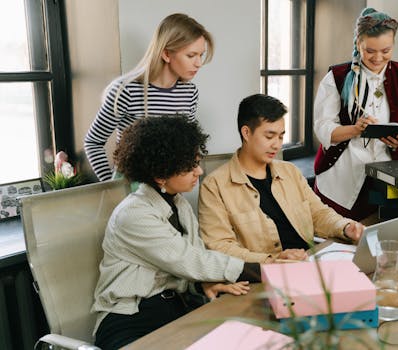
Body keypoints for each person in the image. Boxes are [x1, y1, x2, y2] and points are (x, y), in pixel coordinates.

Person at [92, 115, 260, 350]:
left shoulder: (179, 204)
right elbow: (189, 259)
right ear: (160, 175)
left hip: (175, 311)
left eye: (197, 162)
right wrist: (261, 270)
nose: (199, 171)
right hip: (131, 322)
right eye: (190, 167)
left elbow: (179, 269)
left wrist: (202, 285)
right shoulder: (133, 214)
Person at [198, 94, 364, 264]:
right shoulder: (215, 186)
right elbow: (219, 247)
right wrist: (273, 260)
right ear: (246, 133)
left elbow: (318, 213)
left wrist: (345, 227)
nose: (277, 145)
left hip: (309, 262)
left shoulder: (290, 171)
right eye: (269, 137)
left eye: (280, 136)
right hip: (264, 276)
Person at [313, 7, 398, 221]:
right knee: (334, 243)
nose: (378, 58)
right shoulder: (337, 77)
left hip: (387, 177)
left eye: (386, 51)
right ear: (357, 44)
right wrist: (355, 129)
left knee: (380, 241)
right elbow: (322, 128)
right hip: (340, 180)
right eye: (370, 51)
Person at [84, 13, 213, 181]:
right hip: (132, 193)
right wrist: (114, 189)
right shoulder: (126, 91)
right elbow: (93, 142)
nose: (198, 63)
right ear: (166, 54)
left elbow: (186, 146)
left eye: (201, 55)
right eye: (191, 55)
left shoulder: (189, 93)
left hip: (168, 192)